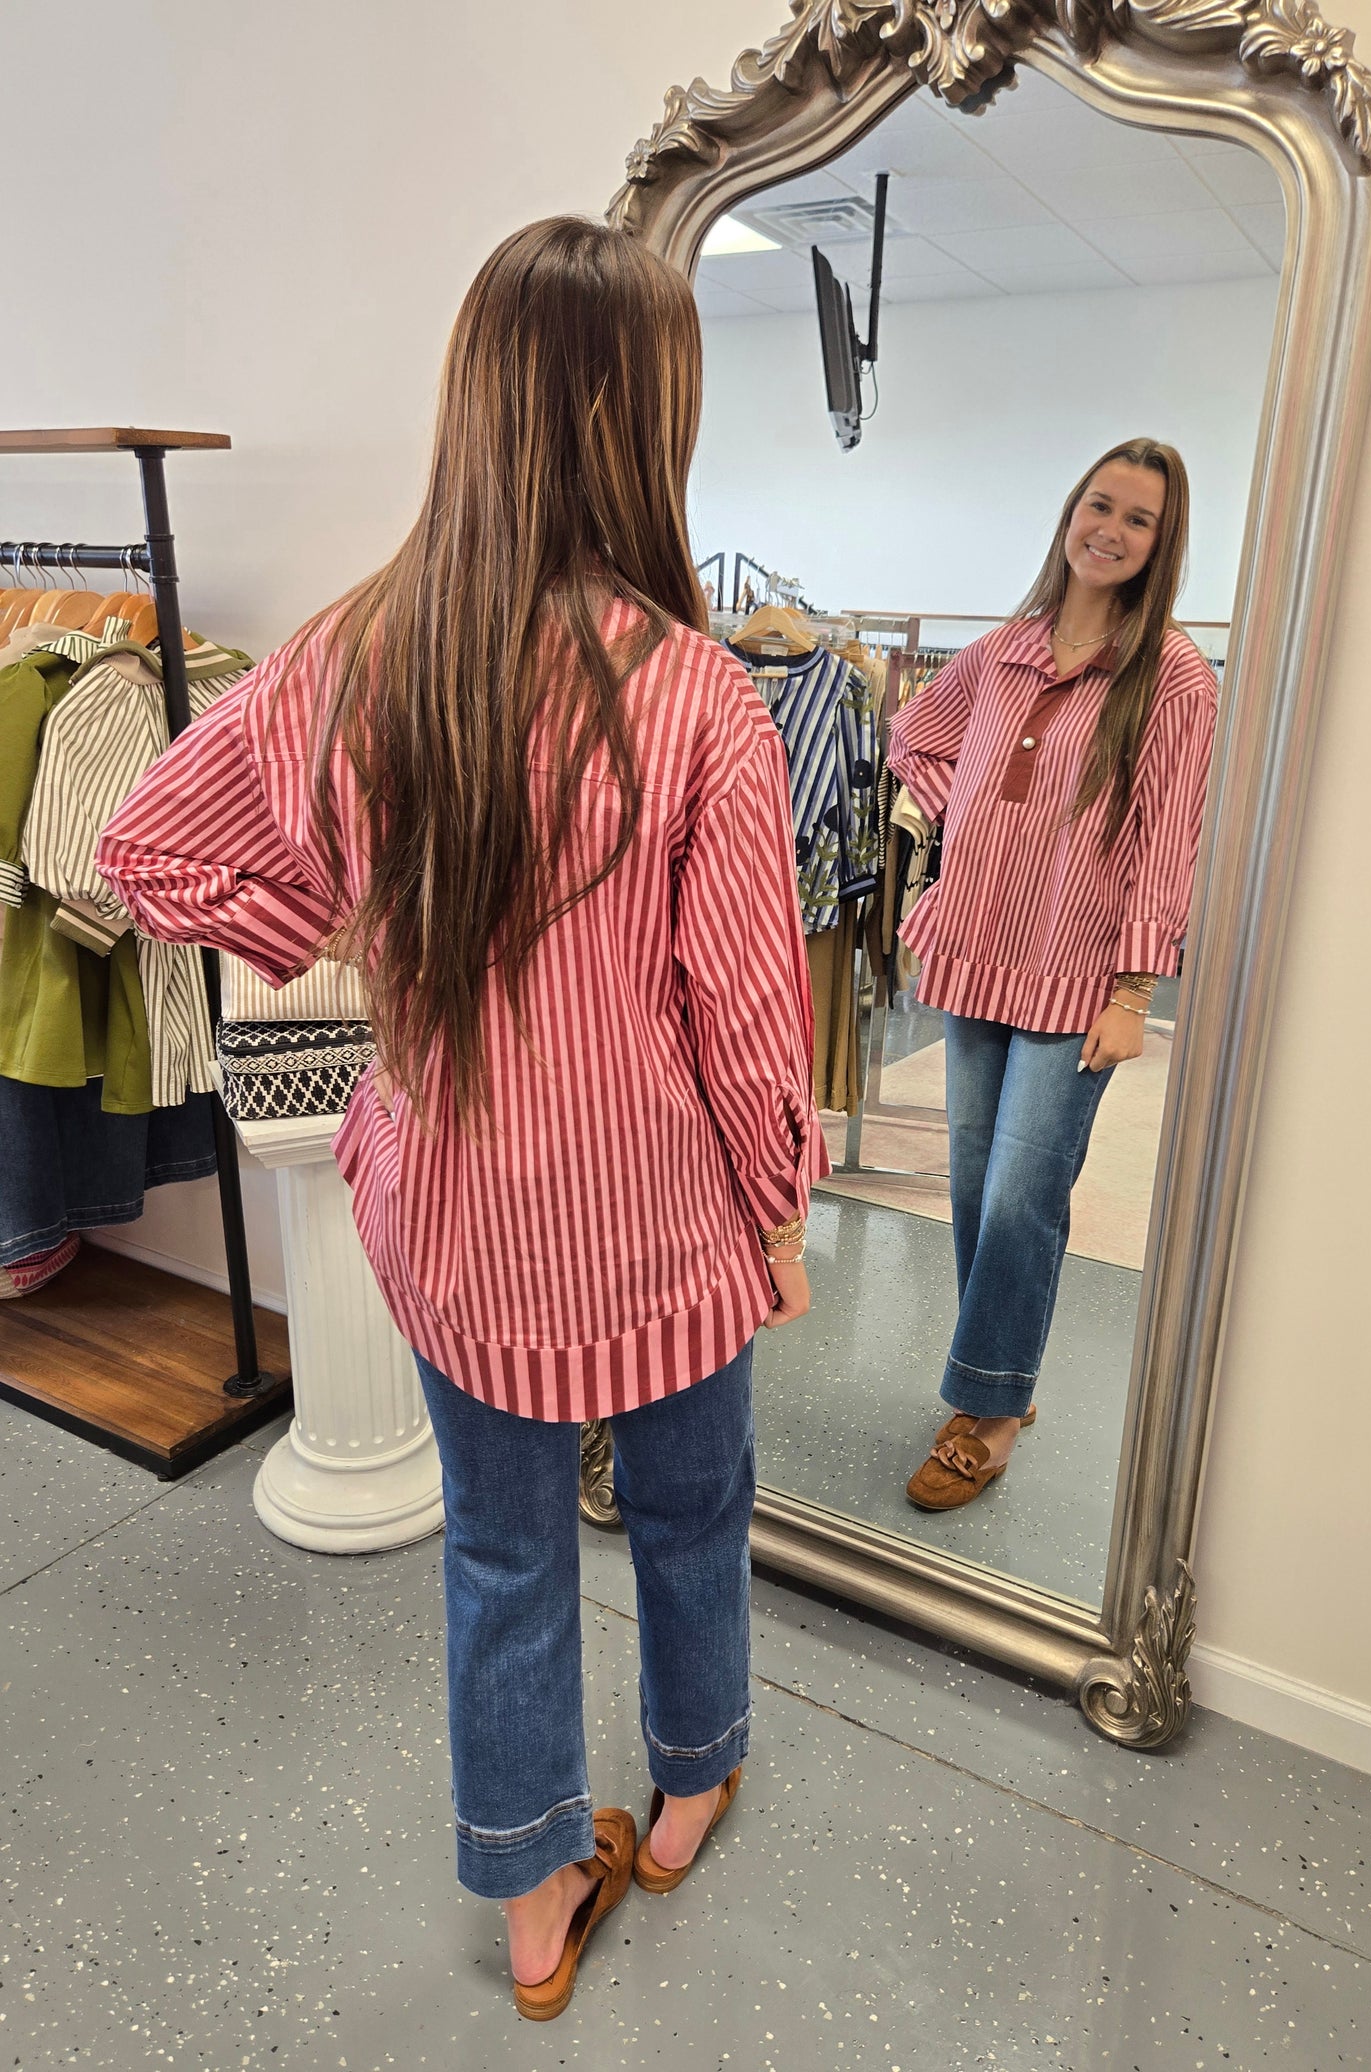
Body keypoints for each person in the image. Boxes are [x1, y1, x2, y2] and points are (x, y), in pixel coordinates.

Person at [97, 217, 826, 2020]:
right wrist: (784, 1217)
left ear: (480, 402)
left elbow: (147, 843)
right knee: (689, 1508)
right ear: (642, 415)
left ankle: (527, 1895)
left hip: (454, 1218)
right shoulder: (698, 692)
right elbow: (745, 1011)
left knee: (500, 1554)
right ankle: (693, 1774)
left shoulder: (361, 649)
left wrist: (345, 915)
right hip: (662, 1221)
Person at [886, 438, 1217, 1513]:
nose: (1109, 530)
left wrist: (1133, 994)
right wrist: (959, 814)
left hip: (1075, 970)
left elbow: (1169, 836)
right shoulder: (997, 651)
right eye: (1099, 504)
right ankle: (1002, 1379)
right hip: (977, 944)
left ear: (1158, 547)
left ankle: (983, 1409)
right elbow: (913, 738)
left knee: (1027, 1191)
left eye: (1137, 520)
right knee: (975, 1184)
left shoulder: (1169, 673)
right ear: (1069, 510)